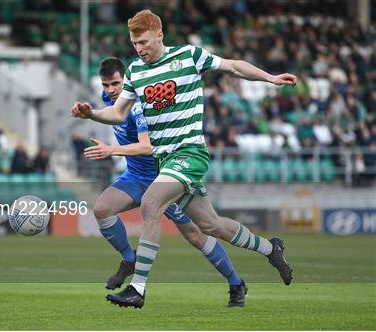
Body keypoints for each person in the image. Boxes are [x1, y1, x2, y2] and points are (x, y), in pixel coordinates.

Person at [71, 9, 295, 308]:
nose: (139, 49)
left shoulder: (188, 56)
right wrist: (93, 114)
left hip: (189, 153)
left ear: (159, 35)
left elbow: (232, 66)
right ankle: (270, 249)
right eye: (135, 44)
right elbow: (117, 113)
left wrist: (269, 78)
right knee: (211, 225)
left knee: (151, 203)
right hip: (167, 162)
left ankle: (138, 288)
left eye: (144, 42)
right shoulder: (136, 72)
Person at [85, 57, 246, 307]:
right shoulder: (111, 101)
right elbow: (109, 115)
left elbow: (149, 146)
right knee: (102, 210)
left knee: (196, 234)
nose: (110, 90)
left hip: (164, 177)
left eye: (115, 83)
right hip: (135, 177)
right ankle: (129, 259)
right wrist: (89, 114)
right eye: (106, 85)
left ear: (126, 79)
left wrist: (111, 150)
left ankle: (236, 283)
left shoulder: (138, 105)